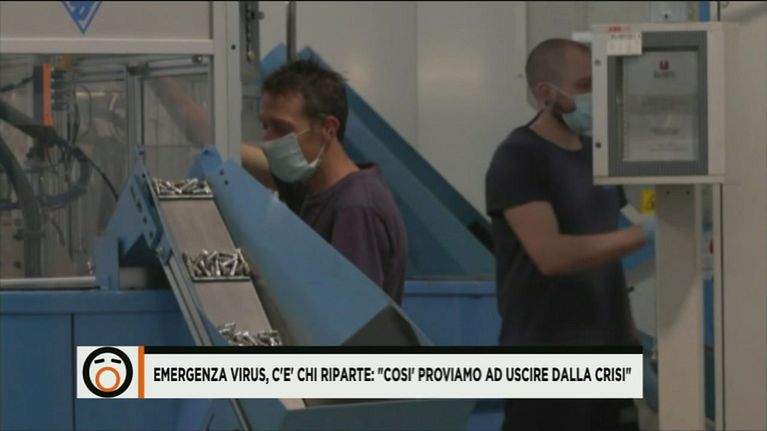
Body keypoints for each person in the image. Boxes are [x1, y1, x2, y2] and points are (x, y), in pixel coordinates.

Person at [484, 38, 652, 430]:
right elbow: (551, 255)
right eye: (584, 86)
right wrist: (643, 235)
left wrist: (630, 342)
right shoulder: (518, 157)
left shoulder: (598, 154)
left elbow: (606, 254)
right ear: (545, 93)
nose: (596, 97)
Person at [151, 60, 408, 303]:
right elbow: (210, 137)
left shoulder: (356, 207)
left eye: (282, 129)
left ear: (328, 129)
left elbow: (353, 316)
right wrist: (155, 70)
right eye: (266, 126)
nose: (269, 141)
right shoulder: (310, 186)